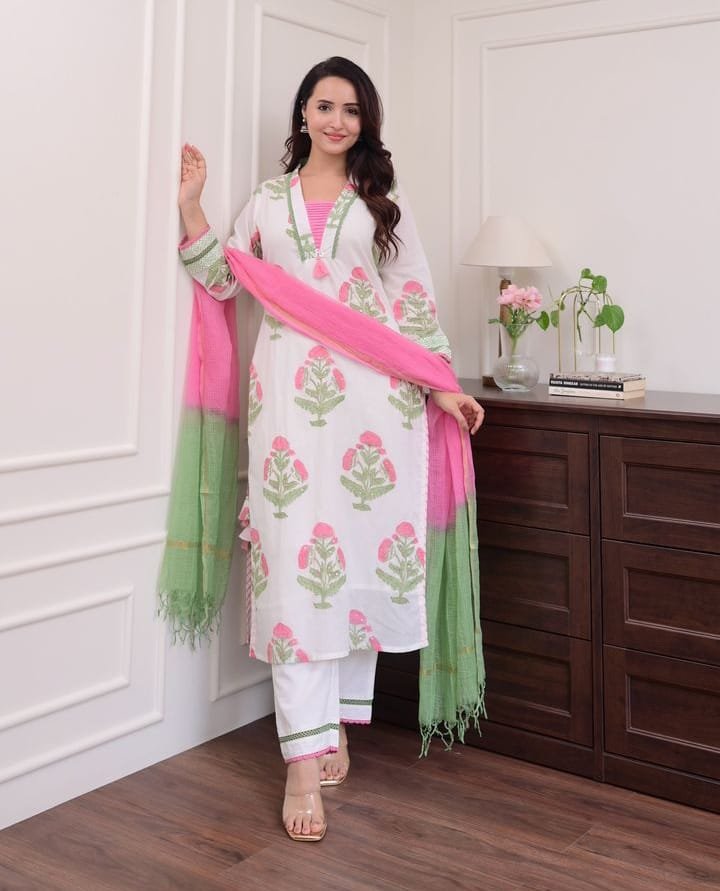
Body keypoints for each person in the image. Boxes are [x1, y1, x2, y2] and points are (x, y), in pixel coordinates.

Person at [174, 56, 484, 842]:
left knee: (352, 563)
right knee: (295, 571)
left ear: (365, 121)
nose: (337, 120)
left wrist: (443, 387)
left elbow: (413, 302)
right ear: (303, 114)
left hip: (374, 409)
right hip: (287, 408)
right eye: (324, 105)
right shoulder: (266, 202)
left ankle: (336, 724)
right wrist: (193, 209)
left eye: (351, 109)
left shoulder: (380, 203)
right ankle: (301, 763)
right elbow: (223, 280)